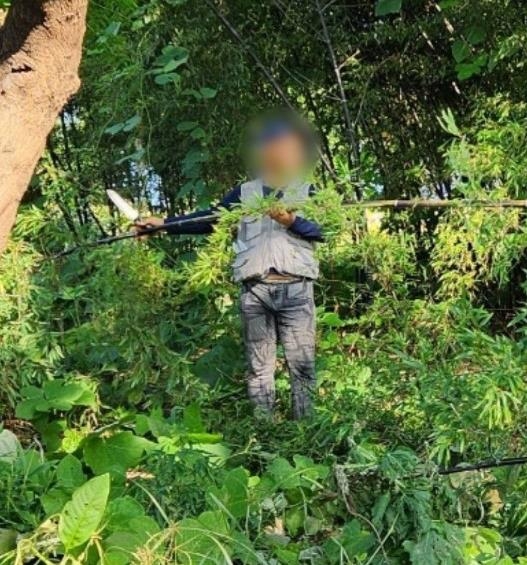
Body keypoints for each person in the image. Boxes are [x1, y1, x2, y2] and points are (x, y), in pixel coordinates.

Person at [138, 111, 323, 419]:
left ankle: (305, 430)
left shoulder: (310, 193)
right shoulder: (245, 194)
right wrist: (164, 224)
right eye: (275, 146)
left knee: (302, 366)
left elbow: (322, 230)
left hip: (297, 290)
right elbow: (211, 220)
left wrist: (292, 221)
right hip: (256, 291)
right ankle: (265, 432)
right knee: (259, 368)